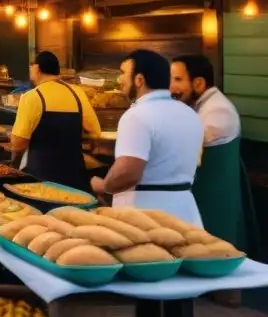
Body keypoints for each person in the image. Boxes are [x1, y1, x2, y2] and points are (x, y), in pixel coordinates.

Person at [92, 49, 204, 225]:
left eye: (123, 73)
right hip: (186, 212)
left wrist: (103, 185)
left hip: (145, 217)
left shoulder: (136, 115)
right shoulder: (191, 114)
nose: (119, 79)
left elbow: (128, 173)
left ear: (139, 80)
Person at [171, 54, 257, 251]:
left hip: (215, 198)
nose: (171, 88)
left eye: (177, 80)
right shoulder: (201, 105)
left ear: (199, 83)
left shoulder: (217, 110)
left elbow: (186, 148)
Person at [9, 51, 102, 191]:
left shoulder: (32, 97)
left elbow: (17, 144)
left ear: (37, 68)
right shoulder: (77, 93)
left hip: (41, 178)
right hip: (74, 178)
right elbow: (95, 132)